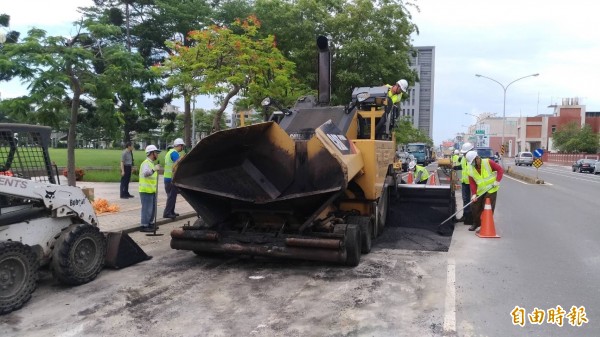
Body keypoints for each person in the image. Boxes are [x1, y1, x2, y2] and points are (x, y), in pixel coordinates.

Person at [465, 150, 504, 232]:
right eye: (471, 162)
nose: (472, 164)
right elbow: (472, 183)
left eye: (473, 162)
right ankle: (476, 223)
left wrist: (497, 181)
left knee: (487, 208)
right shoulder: (470, 168)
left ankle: (484, 226)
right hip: (481, 190)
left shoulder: (488, 162)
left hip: (491, 189)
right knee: (474, 206)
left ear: (477, 158)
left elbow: (500, 170)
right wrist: (474, 194)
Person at [139, 145, 161, 232]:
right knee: (146, 209)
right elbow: (145, 173)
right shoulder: (146, 163)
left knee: (152, 209)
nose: (157, 155)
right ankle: (144, 225)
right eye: (156, 153)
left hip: (152, 190)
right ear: (151, 153)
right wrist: (154, 170)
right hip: (145, 191)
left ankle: (150, 223)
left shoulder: (151, 163)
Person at [163, 138, 185, 219]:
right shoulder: (174, 153)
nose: (182, 148)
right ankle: (167, 213)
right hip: (171, 178)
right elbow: (178, 164)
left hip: (167, 177)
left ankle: (171, 211)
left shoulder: (169, 152)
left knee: (172, 196)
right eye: (182, 146)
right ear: (179, 145)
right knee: (171, 196)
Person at [455, 142, 474, 224]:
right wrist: (455, 167)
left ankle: (471, 218)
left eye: (465, 152)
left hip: (472, 182)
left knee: (473, 200)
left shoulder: (473, 158)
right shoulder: (463, 158)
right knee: (465, 199)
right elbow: (462, 167)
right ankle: (465, 215)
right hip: (465, 182)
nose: (464, 154)